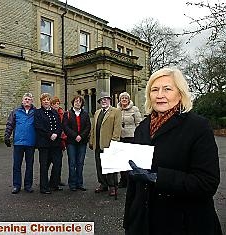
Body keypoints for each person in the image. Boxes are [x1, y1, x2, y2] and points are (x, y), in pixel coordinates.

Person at [123, 67, 222, 235]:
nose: (160, 94)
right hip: (143, 223)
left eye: (167, 89)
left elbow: (207, 183)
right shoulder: (142, 127)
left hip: (183, 223)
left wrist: (157, 177)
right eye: (154, 89)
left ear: (180, 94)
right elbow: (134, 186)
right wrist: (129, 220)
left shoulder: (198, 127)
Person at [89, 91, 121, 196]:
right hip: (98, 143)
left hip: (109, 143)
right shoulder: (97, 112)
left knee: (110, 166)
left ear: (110, 101)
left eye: (106, 99)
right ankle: (103, 184)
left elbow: (117, 128)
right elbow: (93, 128)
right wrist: (91, 141)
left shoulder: (116, 111)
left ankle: (113, 186)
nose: (104, 101)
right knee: (99, 165)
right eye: (102, 99)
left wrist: (114, 141)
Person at [4, 92, 36, 194]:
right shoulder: (16, 112)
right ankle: (16, 185)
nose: (27, 101)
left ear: (32, 101)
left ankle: (28, 185)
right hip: (18, 142)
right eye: (25, 99)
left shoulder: (36, 112)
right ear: (22, 101)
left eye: (29, 99)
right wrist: (7, 136)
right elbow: (10, 124)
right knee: (17, 165)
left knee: (29, 165)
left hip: (31, 143)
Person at [34, 93, 63, 194]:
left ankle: (54, 184)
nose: (46, 101)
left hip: (55, 143)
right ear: (41, 102)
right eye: (44, 100)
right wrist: (50, 134)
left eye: (48, 100)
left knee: (57, 164)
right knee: (44, 165)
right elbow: (38, 127)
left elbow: (60, 125)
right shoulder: (37, 113)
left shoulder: (55, 112)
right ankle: (44, 187)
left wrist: (56, 134)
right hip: (44, 143)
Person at [62, 95, 91, 191]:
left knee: (80, 163)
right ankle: (72, 184)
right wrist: (75, 136)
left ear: (82, 103)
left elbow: (88, 127)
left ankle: (79, 183)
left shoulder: (85, 114)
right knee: (72, 163)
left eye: (79, 101)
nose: (77, 103)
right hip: (71, 142)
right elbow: (65, 127)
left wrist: (81, 136)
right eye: (76, 101)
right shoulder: (67, 114)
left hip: (82, 142)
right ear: (73, 102)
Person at [117, 92, 142, 188]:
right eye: (122, 98)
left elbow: (138, 123)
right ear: (120, 99)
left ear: (128, 99)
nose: (124, 99)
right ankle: (123, 180)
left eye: (126, 98)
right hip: (120, 137)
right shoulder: (117, 110)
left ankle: (131, 180)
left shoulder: (134, 109)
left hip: (131, 137)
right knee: (121, 160)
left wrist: (138, 136)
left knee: (130, 160)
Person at [50, 97, 66, 186]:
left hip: (61, 140)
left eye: (57, 103)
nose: (56, 105)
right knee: (51, 162)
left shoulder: (62, 113)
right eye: (54, 103)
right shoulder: (50, 113)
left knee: (58, 162)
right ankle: (52, 181)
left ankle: (56, 179)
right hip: (51, 140)